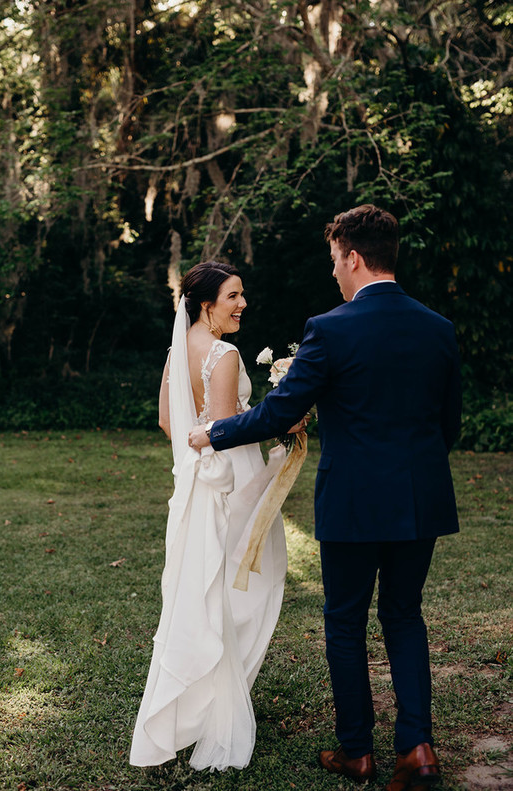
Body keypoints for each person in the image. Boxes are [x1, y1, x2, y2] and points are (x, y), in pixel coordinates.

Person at [189, 205, 461, 790]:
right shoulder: (438, 328)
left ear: (354, 258)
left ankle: (357, 753)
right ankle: (417, 751)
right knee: (405, 617)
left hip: (353, 504)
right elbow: (450, 426)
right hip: (420, 499)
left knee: (344, 622)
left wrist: (213, 431)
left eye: (335, 261)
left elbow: (281, 412)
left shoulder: (331, 328)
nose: (334, 273)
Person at [129, 261, 288, 772]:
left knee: (202, 591)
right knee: (244, 590)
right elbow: (225, 428)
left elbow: (166, 421)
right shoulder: (223, 353)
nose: (242, 304)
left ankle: (200, 701)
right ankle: (219, 707)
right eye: (233, 296)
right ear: (206, 303)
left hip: (194, 481)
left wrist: (196, 457)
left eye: (242, 295)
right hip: (230, 481)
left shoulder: (179, 350)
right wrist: (282, 419)